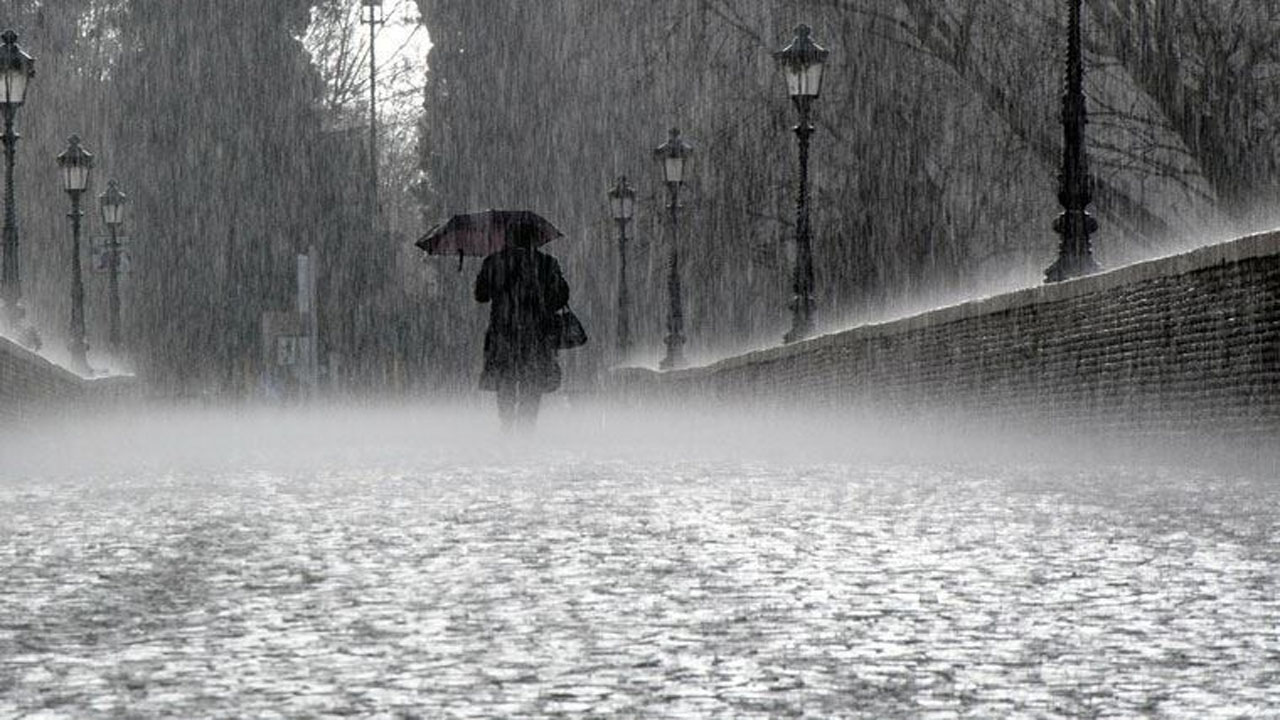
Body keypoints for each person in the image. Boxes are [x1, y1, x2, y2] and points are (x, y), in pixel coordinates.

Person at [474, 223, 570, 430]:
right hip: (536, 333)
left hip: (503, 331)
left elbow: (480, 296)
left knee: (505, 381)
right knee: (532, 382)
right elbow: (561, 298)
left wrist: (490, 280)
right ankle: (527, 426)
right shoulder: (546, 263)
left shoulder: (494, 262)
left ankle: (507, 424)